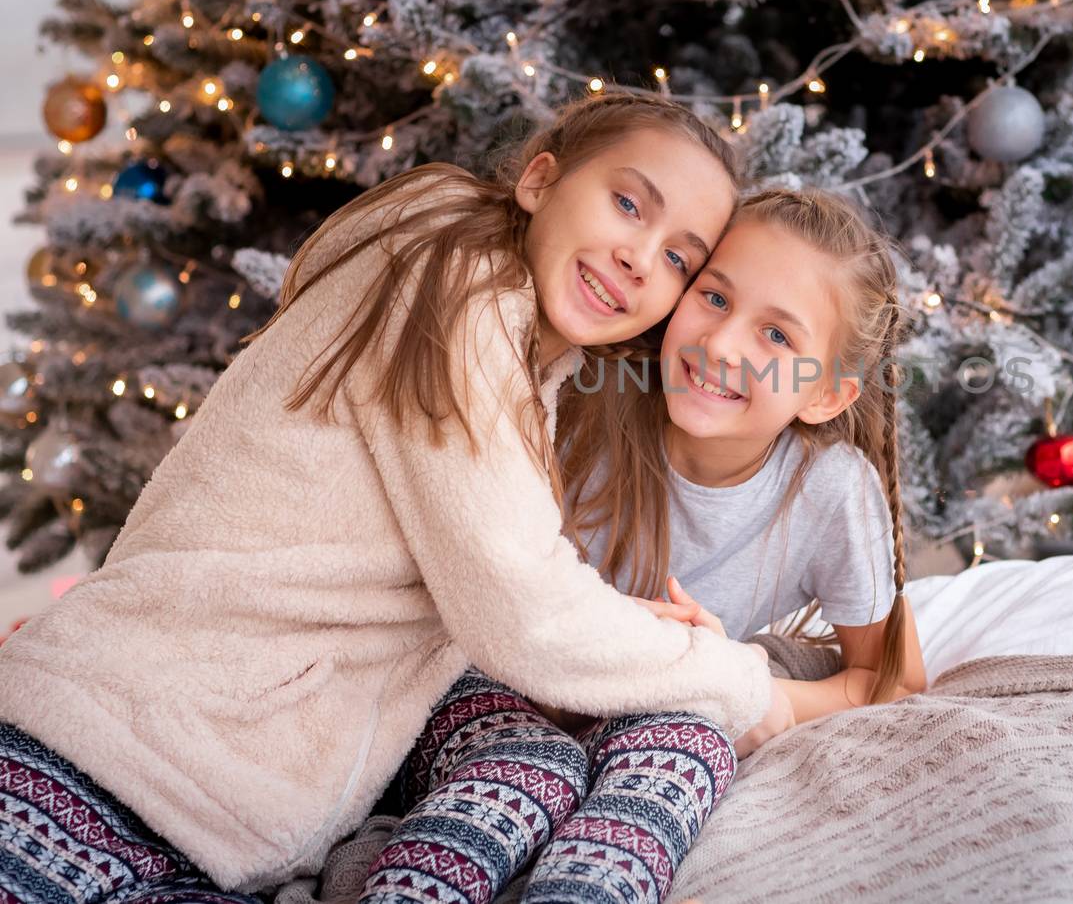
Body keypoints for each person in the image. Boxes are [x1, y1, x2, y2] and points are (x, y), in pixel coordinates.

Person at [0, 95, 784, 903]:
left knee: (540, 763)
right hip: (94, 757)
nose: (639, 258)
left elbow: (502, 582)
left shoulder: (522, 354)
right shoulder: (452, 287)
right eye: (628, 203)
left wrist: (629, 639)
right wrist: (753, 685)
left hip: (206, 820)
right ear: (540, 179)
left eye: (679, 260)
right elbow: (525, 611)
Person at [358, 186, 926, 904]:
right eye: (714, 298)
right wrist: (595, 655)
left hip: (665, 695)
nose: (721, 343)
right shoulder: (581, 404)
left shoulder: (831, 492)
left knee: (693, 742)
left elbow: (893, 678)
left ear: (825, 394)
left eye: (777, 336)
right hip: (494, 678)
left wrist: (748, 687)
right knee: (530, 763)